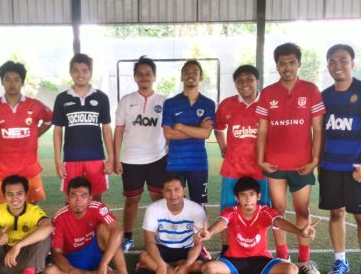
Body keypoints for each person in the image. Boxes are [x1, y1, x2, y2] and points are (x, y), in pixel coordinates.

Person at [198, 177, 318, 274]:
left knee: (292, 269)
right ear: (237, 198)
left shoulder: (266, 211)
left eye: (252, 194)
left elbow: (279, 222)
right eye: (243, 195)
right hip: (234, 261)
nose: (248, 199)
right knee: (208, 268)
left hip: (261, 261)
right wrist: (210, 232)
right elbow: (222, 222)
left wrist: (300, 231)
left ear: (258, 196)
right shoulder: (230, 211)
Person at [256, 42, 325, 274]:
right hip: (274, 165)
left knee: (302, 209)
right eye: (282, 63)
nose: (287, 67)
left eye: (292, 62)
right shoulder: (268, 93)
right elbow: (262, 130)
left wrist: (314, 159)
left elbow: (318, 129)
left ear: (299, 64)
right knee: (278, 210)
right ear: (276, 66)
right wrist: (261, 160)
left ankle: (304, 260)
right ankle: (283, 257)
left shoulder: (311, 90)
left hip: (302, 165)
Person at [320, 44, 361, 274]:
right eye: (332, 61)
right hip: (330, 167)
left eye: (343, 60)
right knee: (336, 213)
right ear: (328, 66)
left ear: (353, 63)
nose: (338, 65)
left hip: (357, 169)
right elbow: (320, 132)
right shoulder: (324, 96)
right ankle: (340, 260)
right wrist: (319, 163)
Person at [42, 177, 138, 274]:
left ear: (90, 198)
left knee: (105, 230)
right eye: (74, 195)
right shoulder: (59, 218)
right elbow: (56, 253)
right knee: (49, 273)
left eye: (83, 196)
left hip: (94, 252)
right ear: (67, 198)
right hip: (72, 259)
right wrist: (72, 271)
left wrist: (103, 264)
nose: (78, 200)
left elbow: (117, 231)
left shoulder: (97, 207)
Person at [215, 64, 270, 255]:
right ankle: (226, 250)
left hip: (260, 170)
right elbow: (218, 127)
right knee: (227, 211)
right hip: (233, 168)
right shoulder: (227, 104)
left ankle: (257, 250)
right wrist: (223, 147)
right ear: (235, 84)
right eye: (240, 81)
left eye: (249, 80)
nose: (245, 84)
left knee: (261, 211)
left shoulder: (267, 104)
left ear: (258, 82)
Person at [114, 56, 168, 252]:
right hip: (131, 159)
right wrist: (116, 158)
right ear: (135, 77)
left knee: (158, 198)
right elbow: (119, 130)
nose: (144, 77)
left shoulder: (164, 101)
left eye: (148, 73)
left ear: (154, 76)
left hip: (158, 158)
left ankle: (162, 236)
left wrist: (169, 156)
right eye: (140, 74)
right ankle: (128, 237)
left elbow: (168, 131)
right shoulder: (127, 100)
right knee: (132, 200)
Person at [0, 61, 53, 205]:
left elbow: (49, 120)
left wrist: (35, 134)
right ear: (2, 82)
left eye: (16, 79)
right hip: (0, 171)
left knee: (30, 212)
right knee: (1, 213)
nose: (12, 83)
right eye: (7, 79)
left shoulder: (35, 105)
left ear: (22, 82)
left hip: (29, 170)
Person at [52, 53, 113, 202]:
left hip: (96, 157)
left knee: (96, 197)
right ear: (70, 72)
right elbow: (58, 131)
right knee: (71, 198)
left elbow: (106, 128)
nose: (80, 75)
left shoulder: (101, 97)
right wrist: (58, 161)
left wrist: (111, 158)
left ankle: (95, 219)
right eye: (76, 70)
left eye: (85, 70)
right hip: (71, 158)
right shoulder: (62, 98)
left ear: (90, 72)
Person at [161, 59, 216, 207]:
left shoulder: (208, 104)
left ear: (200, 77)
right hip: (175, 164)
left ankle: (200, 225)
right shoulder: (170, 103)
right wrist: (197, 129)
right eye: (186, 72)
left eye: (195, 72)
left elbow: (206, 134)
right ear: (181, 77)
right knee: (174, 203)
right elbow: (169, 134)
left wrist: (179, 126)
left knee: (199, 205)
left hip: (198, 164)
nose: (190, 75)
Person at [136, 173, 206, 274]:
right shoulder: (153, 209)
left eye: (177, 190)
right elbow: (149, 241)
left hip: (186, 248)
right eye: (168, 190)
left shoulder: (197, 210)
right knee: (144, 256)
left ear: (184, 191)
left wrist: (187, 265)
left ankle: (163, 267)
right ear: (163, 192)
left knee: (201, 266)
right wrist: (160, 264)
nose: (173, 194)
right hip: (162, 247)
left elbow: (198, 243)